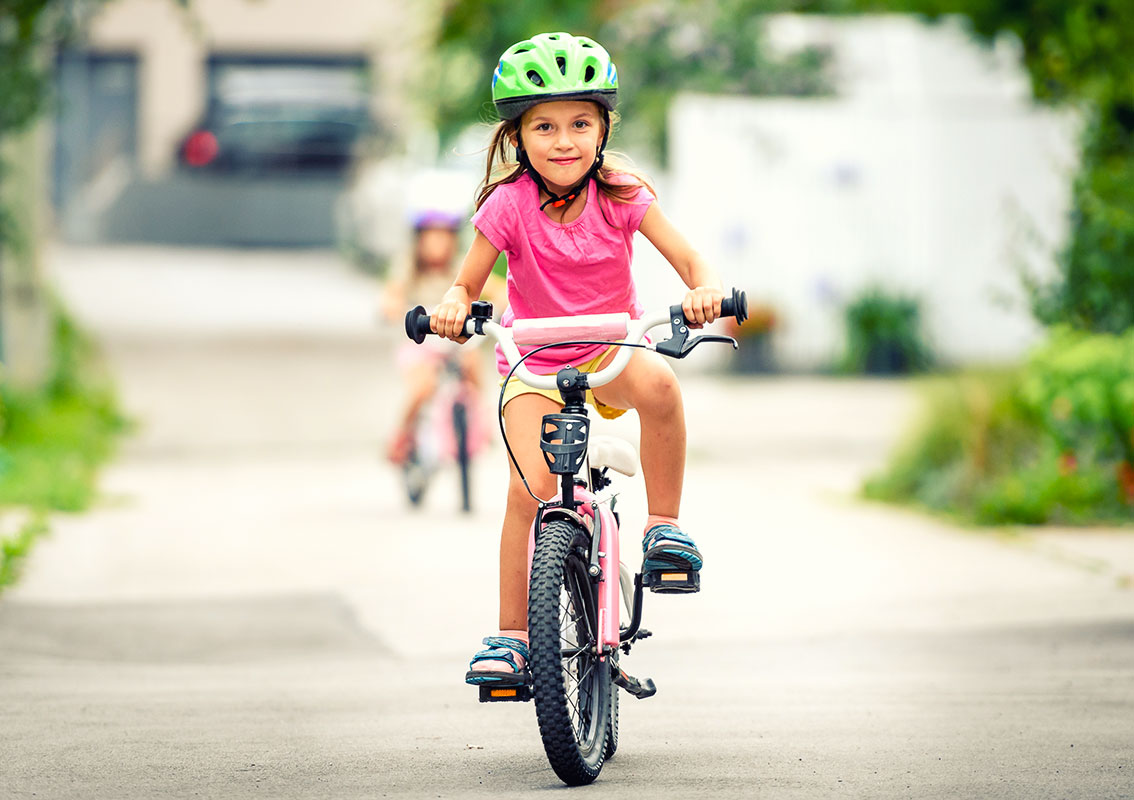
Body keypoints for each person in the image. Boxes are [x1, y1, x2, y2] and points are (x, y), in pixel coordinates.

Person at [427, 32, 725, 685]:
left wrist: (702, 290)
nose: (564, 140)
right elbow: (466, 282)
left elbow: (690, 260)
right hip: (533, 364)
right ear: (517, 139)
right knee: (527, 491)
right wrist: (453, 305)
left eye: (580, 123)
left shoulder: (620, 193)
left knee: (664, 390)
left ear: (603, 127)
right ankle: (511, 637)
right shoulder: (507, 205)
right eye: (545, 126)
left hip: (614, 350)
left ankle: (665, 530)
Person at [383, 205, 483, 466]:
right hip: (420, 343)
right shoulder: (409, 267)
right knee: (423, 387)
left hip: (453, 342)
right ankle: (402, 434)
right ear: (419, 240)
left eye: (444, 236)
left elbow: (492, 289)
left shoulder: (461, 268)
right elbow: (393, 293)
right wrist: (392, 305)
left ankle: (478, 423)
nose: (437, 242)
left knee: (474, 368)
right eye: (431, 236)